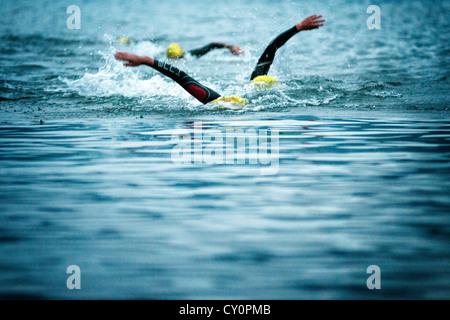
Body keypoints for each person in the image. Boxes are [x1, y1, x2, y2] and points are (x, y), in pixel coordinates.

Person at [115, 15, 325, 105]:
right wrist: (145, 60)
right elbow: (182, 77)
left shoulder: (219, 97)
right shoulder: (217, 100)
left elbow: (182, 77)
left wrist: (146, 60)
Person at [166, 42, 244, 59]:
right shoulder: (189, 55)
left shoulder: (189, 55)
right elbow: (211, 45)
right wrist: (229, 47)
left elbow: (211, 45)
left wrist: (229, 47)